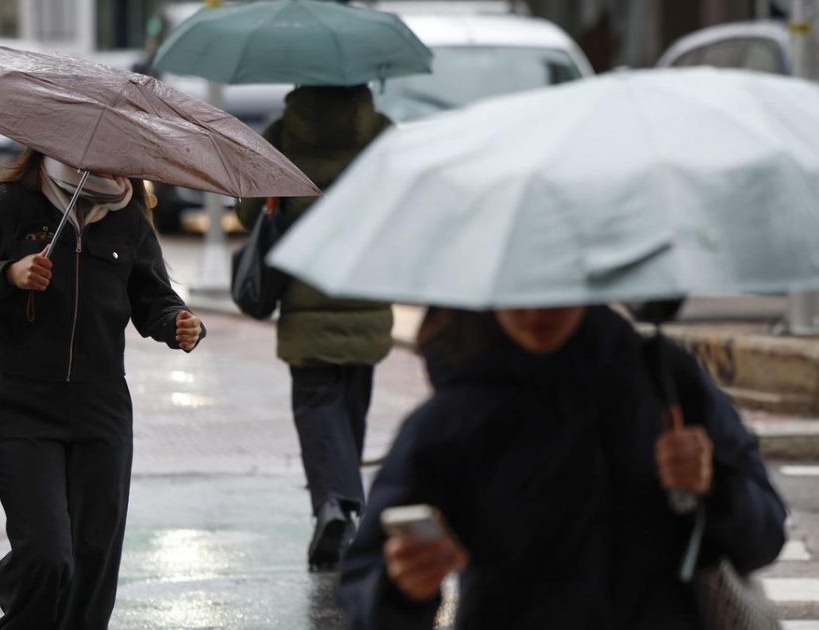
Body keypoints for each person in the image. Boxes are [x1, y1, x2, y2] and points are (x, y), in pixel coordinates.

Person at [338, 305, 786, 629]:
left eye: (553, 284)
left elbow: (765, 537)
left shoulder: (662, 381)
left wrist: (715, 485)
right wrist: (402, 586)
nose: (537, 310)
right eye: (519, 287)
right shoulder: (450, 421)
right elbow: (365, 590)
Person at [0, 148, 206, 628]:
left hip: (103, 406)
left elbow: (152, 295)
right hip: (24, 404)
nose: (112, 163)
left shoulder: (128, 215)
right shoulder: (12, 204)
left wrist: (177, 321)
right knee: (47, 555)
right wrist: (7, 274)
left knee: (95, 557)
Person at [236, 84, 393, 571]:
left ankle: (336, 505)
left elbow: (248, 212)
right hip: (366, 295)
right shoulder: (382, 133)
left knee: (315, 405)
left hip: (305, 299)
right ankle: (344, 505)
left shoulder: (284, 135)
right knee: (350, 409)